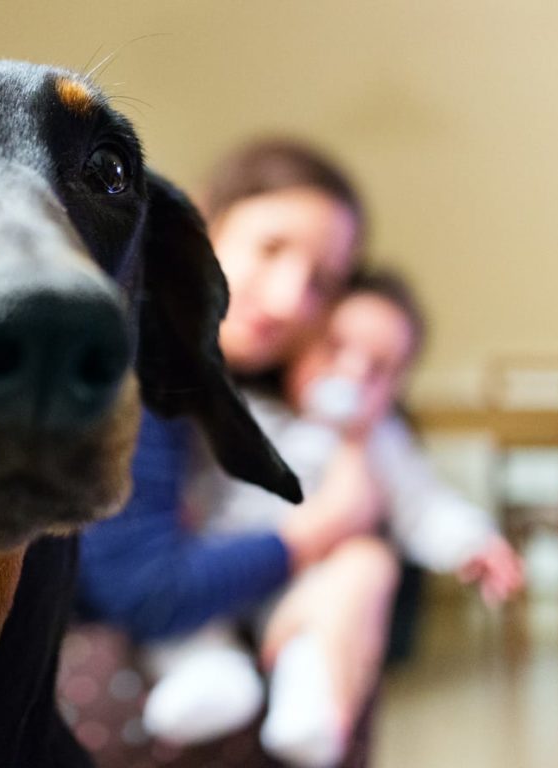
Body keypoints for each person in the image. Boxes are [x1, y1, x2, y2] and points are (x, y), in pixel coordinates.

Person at [69, 139, 380, 764]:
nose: (292, 299)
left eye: (323, 282)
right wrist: (315, 534)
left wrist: (361, 568)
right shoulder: (133, 351)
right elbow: (146, 591)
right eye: (269, 249)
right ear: (200, 219)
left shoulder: (262, 385)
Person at [141, 271, 524, 767]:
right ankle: (205, 677)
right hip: (218, 568)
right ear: (297, 346)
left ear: (397, 385)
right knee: (185, 621)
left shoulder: (380, 440)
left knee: (333, 613)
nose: (352, 371)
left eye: (378, 367)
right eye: (335, 347)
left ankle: (309, 709)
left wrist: (472, 543)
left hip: (303, 587)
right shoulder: (238, 409)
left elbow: (424, 505)